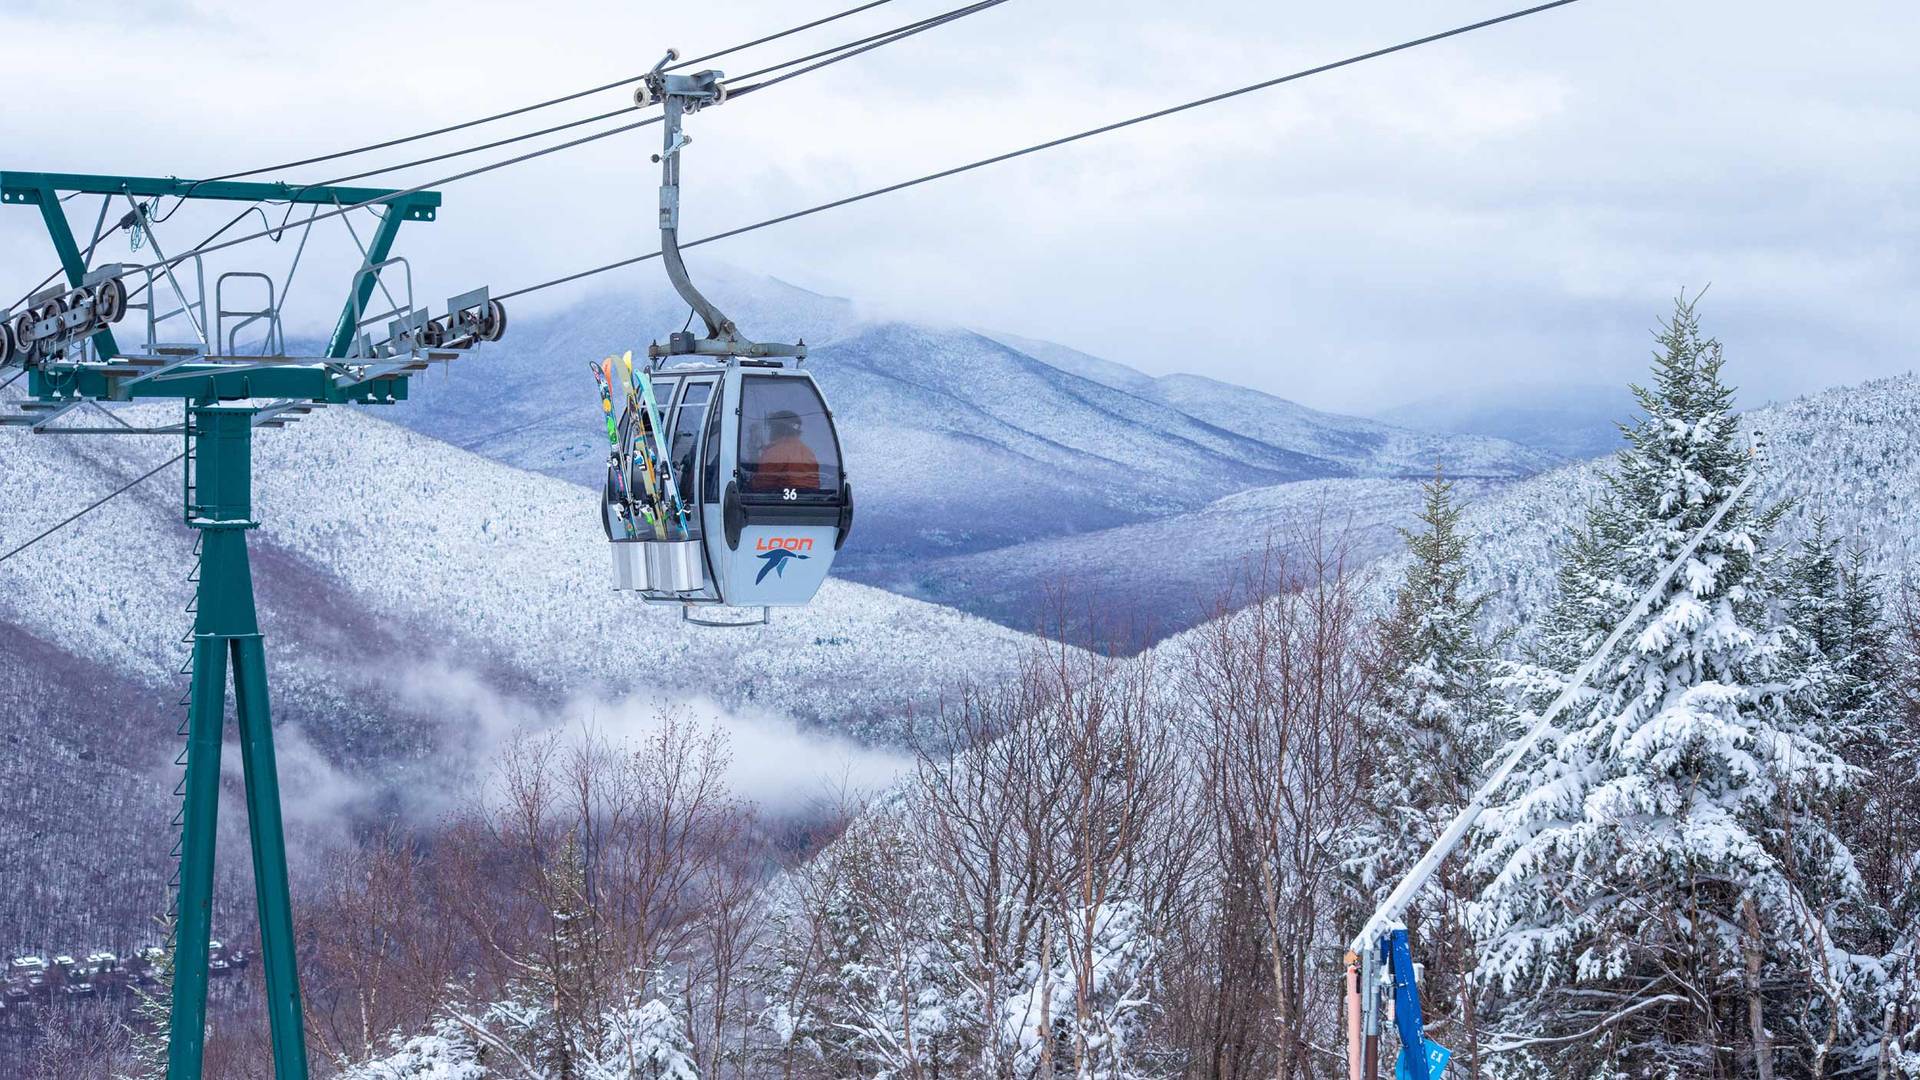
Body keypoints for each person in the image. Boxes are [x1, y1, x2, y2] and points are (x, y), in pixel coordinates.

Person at [748, 409, 820, 493]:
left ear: (780, 429)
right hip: (809, 499)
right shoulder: (808, 453)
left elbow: (761, 486)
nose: (770, 432)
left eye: (772, 427)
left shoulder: (775, 453)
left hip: (777, 499)